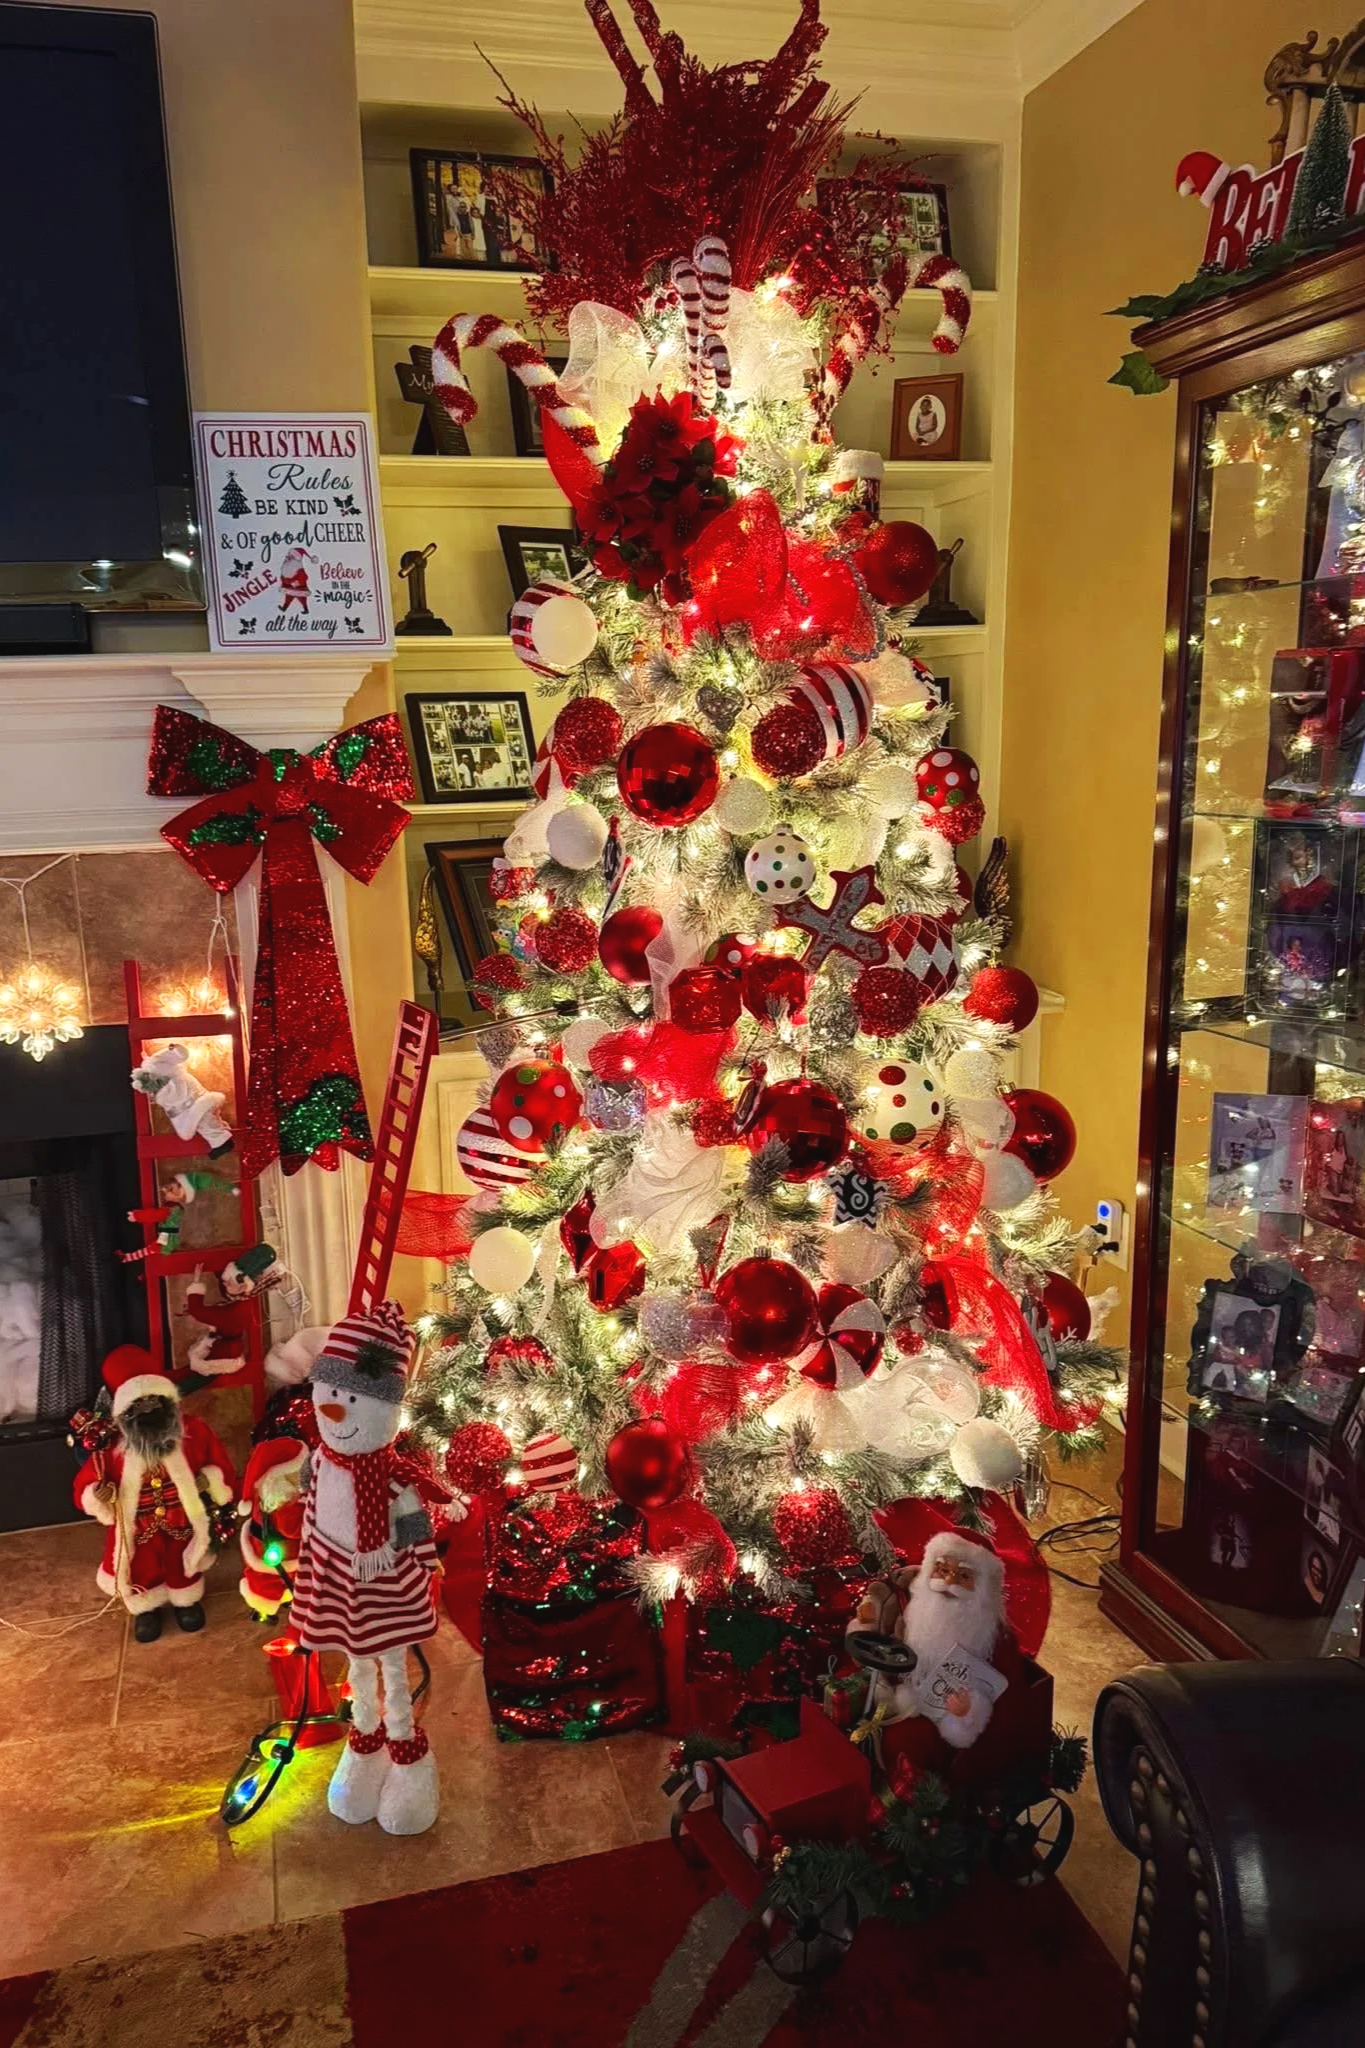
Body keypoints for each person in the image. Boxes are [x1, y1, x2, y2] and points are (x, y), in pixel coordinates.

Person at [73, 1344, 236, 1641]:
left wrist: (211, 1482)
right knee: (140, 1568)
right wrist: (96, 1495)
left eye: (155, 1402)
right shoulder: (110, 1448)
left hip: (182, 1522)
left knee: (182, 1561)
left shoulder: (194, 1432)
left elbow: (219, 1463)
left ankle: (186, 1600)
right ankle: (145, 1609)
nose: (148, 1410)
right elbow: (85, 1484)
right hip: (137, 1527)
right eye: (138, 1406)